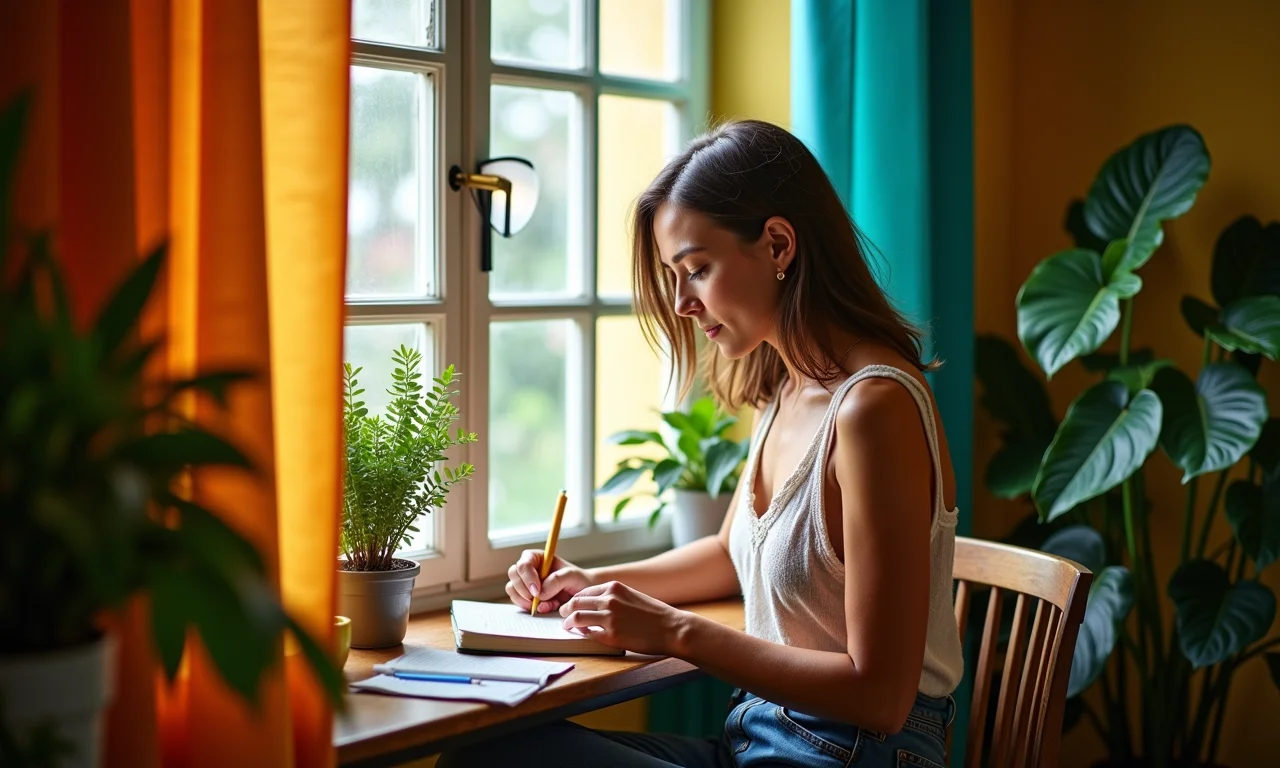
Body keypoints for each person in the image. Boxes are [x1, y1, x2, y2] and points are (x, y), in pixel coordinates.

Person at [437, 119, 964, 768]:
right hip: (763, 738)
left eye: (697, 270)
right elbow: (728, 552)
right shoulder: (788, 385)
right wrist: (590, 584)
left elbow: (881, 697)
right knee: (494, 756)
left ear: (777, 245)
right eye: (675, 276)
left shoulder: (873, 408)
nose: (682, 303)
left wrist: (674, 631)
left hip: (854, 753)